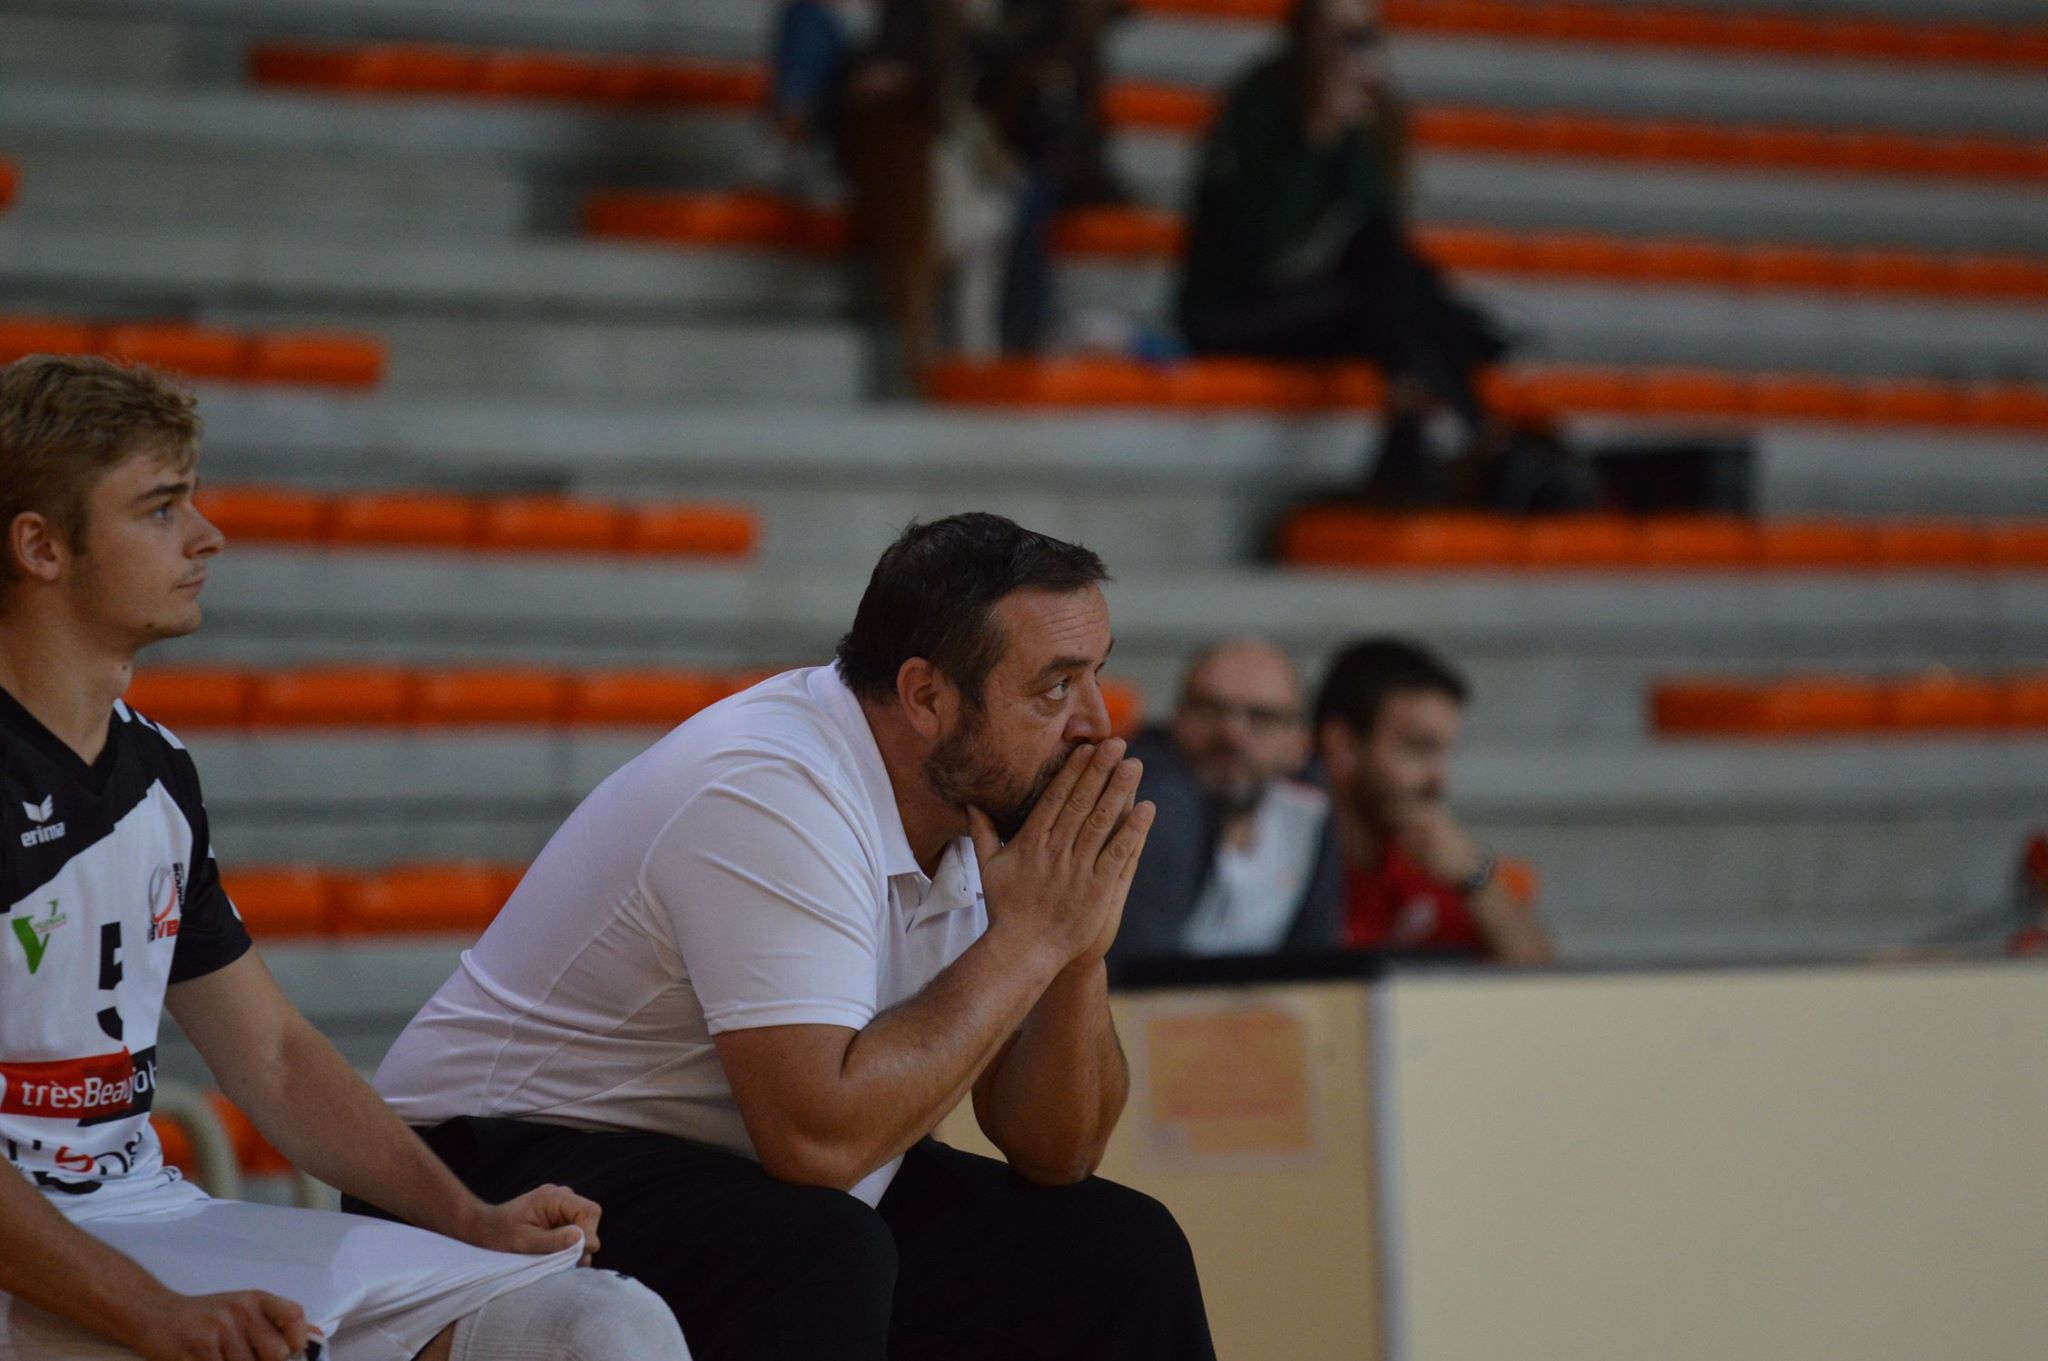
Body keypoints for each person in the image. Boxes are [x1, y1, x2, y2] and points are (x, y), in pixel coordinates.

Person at [364, 514, 1215, 1361]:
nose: (1098, 724)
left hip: (723, 1168)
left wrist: (1073, 951)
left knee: (1118, 1251)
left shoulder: (979, 801)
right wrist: (1029, 942)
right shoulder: (772, 787)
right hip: (475, 1170)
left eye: (1097, 675)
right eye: (1055, 688)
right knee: (822, 1249)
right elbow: (817, 1143)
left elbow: (1059, 1152)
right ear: (926, 697)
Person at [0, 356, 687, 1361]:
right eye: (161, 509)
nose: (206, 535)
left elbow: (275, 1057)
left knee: (599, 1326)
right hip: (35, 1257)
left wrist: (470, 1216)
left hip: (142, 1212)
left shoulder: (156, 768)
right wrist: (151, 1313)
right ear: (41, 547)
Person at [1175, 0, 1513, 505]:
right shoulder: (1261, 98)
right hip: (1230, 308)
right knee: (1400, 302)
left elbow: (1382, 228)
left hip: (1329, 301)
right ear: (1305, 31)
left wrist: (1353, 139)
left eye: (1360, 34)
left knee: (1386, 272)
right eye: (1334, 33)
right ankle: (1472, 424)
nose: (1345, 49)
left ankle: (1425, 408)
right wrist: (1318, 134)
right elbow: (1257, 244)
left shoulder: (1370, 108)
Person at [1314, 637, 1553, 963]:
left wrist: (1474, 877)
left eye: (1443, 752)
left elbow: (1541, 973)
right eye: (1417, 748)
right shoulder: (1279, 860)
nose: (1439, 779)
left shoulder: (1432, 864)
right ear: (1343, 747)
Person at [1115, 639, 1343, 959]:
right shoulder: (1149, 805)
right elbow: (1143, 971)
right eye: (1210, 710)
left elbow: (1316, 963)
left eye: (1261, 718)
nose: (1231, 734)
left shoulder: (1309, 813)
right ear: (1176, 719)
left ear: (1300, 744)